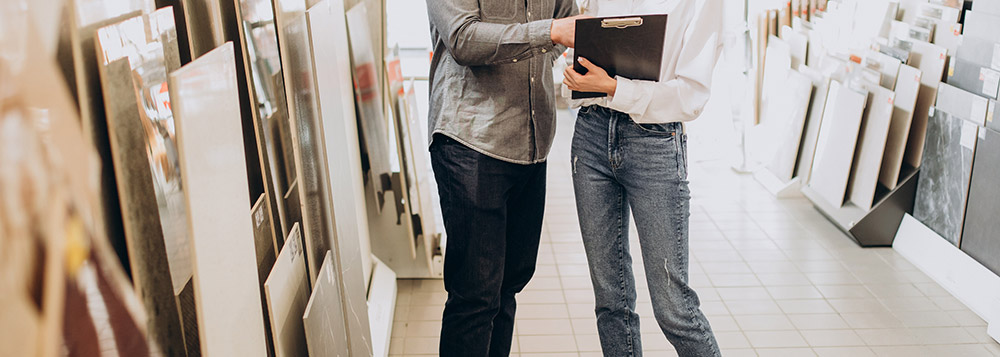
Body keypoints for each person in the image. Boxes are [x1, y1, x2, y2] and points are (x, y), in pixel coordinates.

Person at [562, 0, 724, 355]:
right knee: (610, 301)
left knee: (674, 308)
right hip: (591, 131)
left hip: (654, 140)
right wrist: (575, 73)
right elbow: (582, 39)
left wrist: (616, 88)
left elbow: (692, 95)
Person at [425, 1, 582, 355]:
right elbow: (463, 38)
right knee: (475, 296)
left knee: (507, 286)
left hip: (533, 139)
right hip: (472, 140)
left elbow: (568, 22)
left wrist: (554, 35)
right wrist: (547, 32)